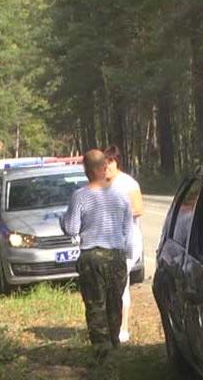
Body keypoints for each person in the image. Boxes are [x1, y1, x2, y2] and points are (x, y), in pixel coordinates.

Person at [61, 149, 132, 359]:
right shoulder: (121, 196)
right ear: (103, 168)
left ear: (86, 170)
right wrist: (126, 254)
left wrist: (62, 221)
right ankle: (114, 344)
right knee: (115, 303)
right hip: (116, 256)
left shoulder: (80, 196)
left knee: (95, 305)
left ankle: (102, 352)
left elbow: (72, 229)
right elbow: (128, 230)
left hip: (92, 258)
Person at [103, 145, 143, 343]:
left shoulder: (128, 183)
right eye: (104, 163)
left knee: (120, 283)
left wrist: (116, 212)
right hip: (106, 243)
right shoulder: (100, 184)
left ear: (116, 163)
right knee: (108, 286)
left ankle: (123, 328)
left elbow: (138, 209)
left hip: (128, 242)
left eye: (109, 163)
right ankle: (110, 326)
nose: (106, 167)